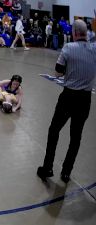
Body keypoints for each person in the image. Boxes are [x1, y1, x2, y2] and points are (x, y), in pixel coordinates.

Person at [37, 19, 96, 183]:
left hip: (69, 96)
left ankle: (47, 167)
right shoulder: (94, 49)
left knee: (54, 130)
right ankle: (66, 172)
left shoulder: (69, 48)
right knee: (76, 137)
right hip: (85, 99)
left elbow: (58, 72)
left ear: (75, 33)